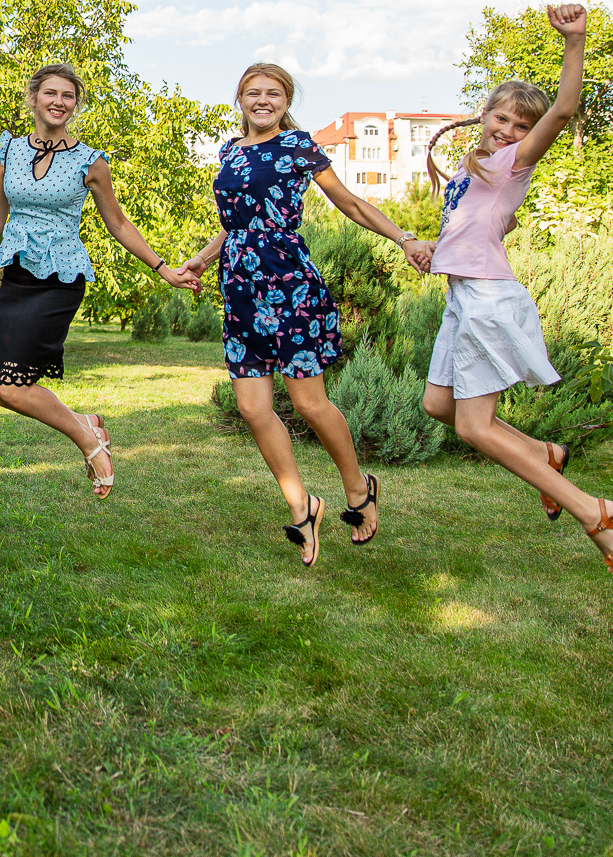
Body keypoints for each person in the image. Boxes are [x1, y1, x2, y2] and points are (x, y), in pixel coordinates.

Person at [176, 63, 433, 565]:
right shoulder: (230, 150)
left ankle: (358, 488)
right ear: (240, 98)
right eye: (254, 92)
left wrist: (404, 238)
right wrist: (202, 259)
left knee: (310, 404)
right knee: (253, 409)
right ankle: (303, 507)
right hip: (241, 288)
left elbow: (349, 203)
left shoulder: (300, 147)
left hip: (289, 285)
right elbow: (236, 223)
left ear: (286, 100)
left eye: (274, 93)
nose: (263, 100)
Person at [423, 3, 613, 580]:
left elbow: (562, 110)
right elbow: (476, 229)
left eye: (520, 126)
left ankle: (596, 511)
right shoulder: (472, 171)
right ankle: (546, 453)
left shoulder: (513, 162)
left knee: (474, 427)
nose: (509, 132)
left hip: (488, 301)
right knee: (438, 406)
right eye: (503, 119)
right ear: (483, 114)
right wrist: (429, 250)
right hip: (462, 299)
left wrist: (574, 41)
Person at [0, 63, 187, 499]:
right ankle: (86, 424)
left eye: (68, 96)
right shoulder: (7, 151)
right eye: (50, 93)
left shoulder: (91, 160)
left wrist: (163, 269)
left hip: (60, 278)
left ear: (75, 104)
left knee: (14, 385)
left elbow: (118, 224)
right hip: (16, 274)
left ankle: (88, 441)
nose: (59, 102)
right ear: (33, 98)